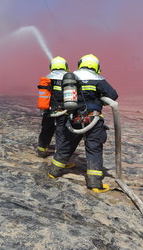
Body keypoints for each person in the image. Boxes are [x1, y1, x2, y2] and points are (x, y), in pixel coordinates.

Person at [48, 54, 118, 193]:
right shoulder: (98, 79)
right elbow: (113, 95)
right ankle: (95, 184)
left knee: (66, 146)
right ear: (96, 66)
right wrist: (99, 99)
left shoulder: (71, 77)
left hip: (73, 118)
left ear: (81, 64)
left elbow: (61, 95)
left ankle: (53, 172)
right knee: (94, 149)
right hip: (93, 119)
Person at [36, 56, 69, 158]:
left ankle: (42, 151)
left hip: (49, 111)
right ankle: (59, 158)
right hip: (63, 111)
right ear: (65, 66)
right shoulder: (69, 79)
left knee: (46, 130)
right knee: (61, 133)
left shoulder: (47, 78)